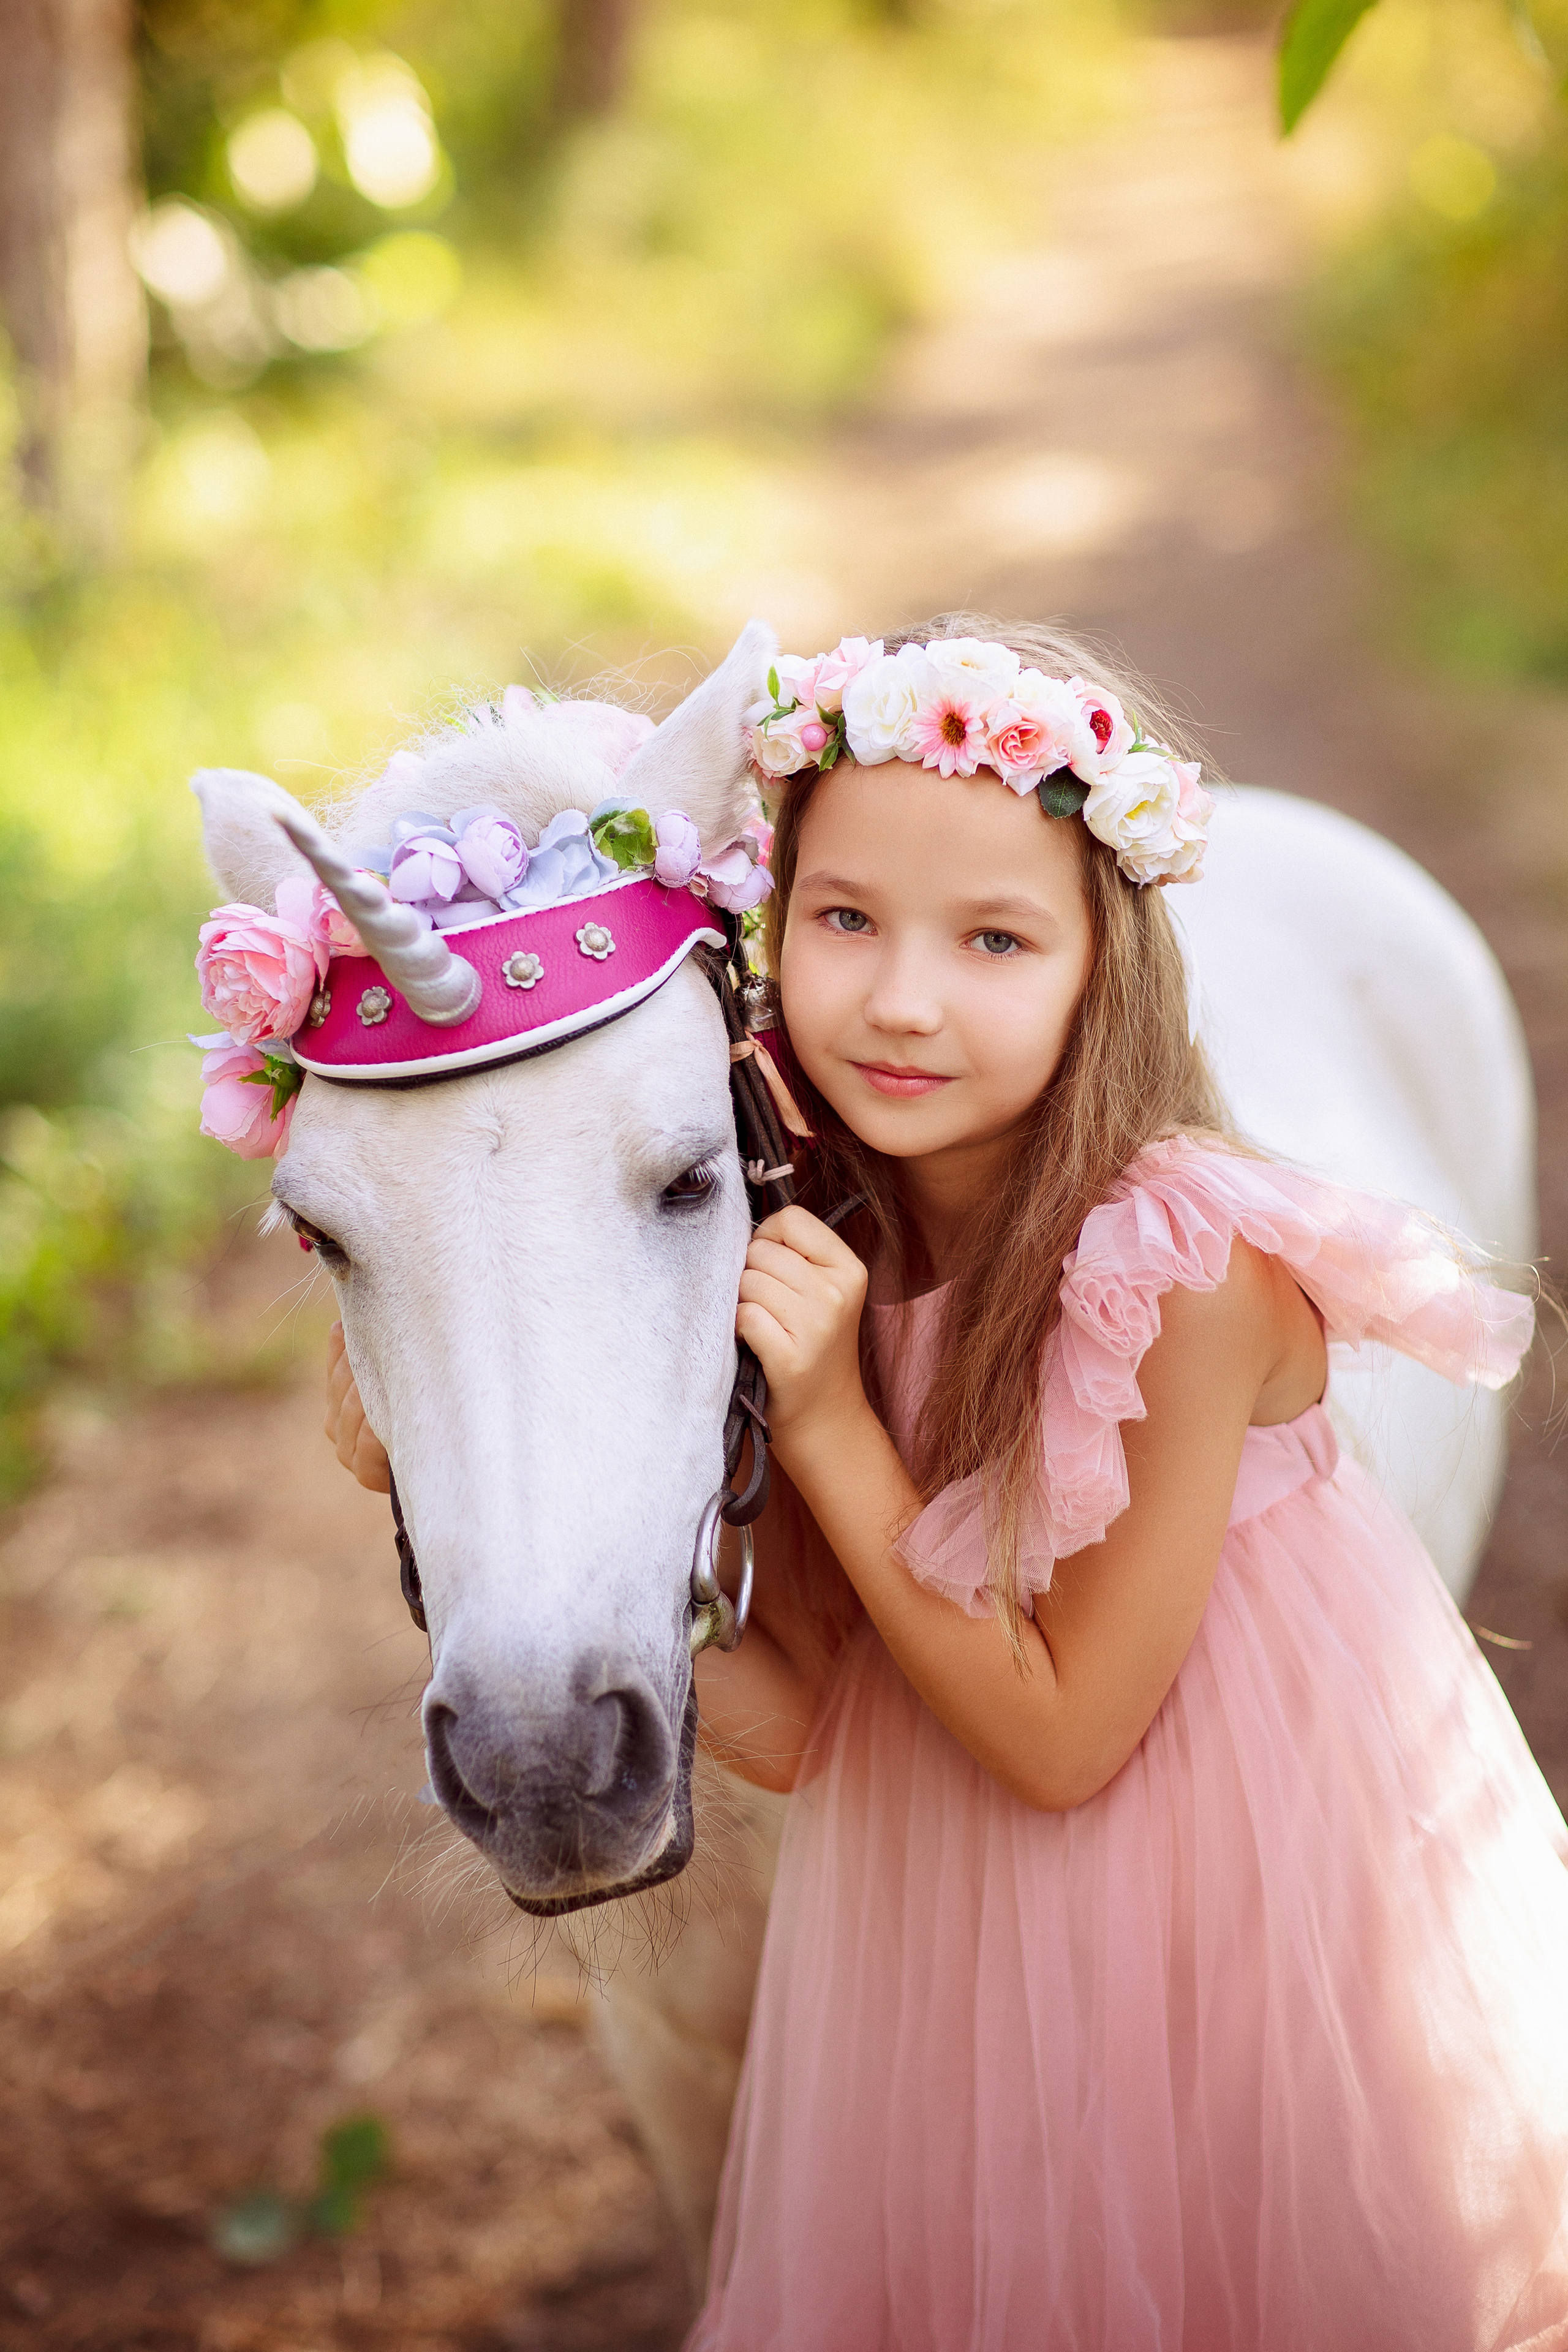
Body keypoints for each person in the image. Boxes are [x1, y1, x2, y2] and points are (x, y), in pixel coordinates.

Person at [328, 618, 1568, 2350]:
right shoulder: (812, 1238)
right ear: (768, 944)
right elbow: (825, 1729)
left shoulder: (1182, 1276)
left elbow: (1064, 1748)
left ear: (1103, 971)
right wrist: (515, 1536)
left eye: (994, 938)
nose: (902, 1000)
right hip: (935, 1917)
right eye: (845, 921)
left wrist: (833, 1420)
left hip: (1196, 1909)